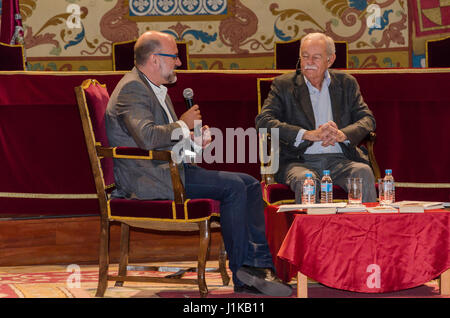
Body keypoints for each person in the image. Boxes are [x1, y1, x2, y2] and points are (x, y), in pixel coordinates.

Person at [105, 31, 292, 296]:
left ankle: (259, 267)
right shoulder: (133, 88)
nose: (179, 63)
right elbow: (147, 137)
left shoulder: (154, 87)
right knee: (234, 188)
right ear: (155, 59)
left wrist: (193, 143)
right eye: (174, 57)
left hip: (169, 169)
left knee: (249, 183)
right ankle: (244, 274)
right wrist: (183, 124)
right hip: (150, 179)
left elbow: (164, 142)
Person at [256, 32, 377, 203]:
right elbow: (263, 120)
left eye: (316, 57)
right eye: (305, 57)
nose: (309, 62)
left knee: (362, 172)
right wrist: (306, 134)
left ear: (330, 59)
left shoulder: (346, 83)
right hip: (299, 161)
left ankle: (365, 229)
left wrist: (343, 134)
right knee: (307, 181)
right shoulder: (284, 85)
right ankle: (312, 230)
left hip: (341, 160)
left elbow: (367, 119)